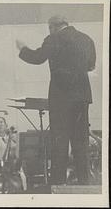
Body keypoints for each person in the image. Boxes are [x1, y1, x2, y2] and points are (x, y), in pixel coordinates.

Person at [16, 15, 96, 185]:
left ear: (52, 27)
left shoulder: (54, 38)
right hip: (82, 98)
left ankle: (58, 183)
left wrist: (22, 49)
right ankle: (84, 182)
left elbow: (37, 58)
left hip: (61, 98)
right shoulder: (86, 39)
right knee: (80, 141)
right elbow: (91, 65)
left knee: (59, 141)